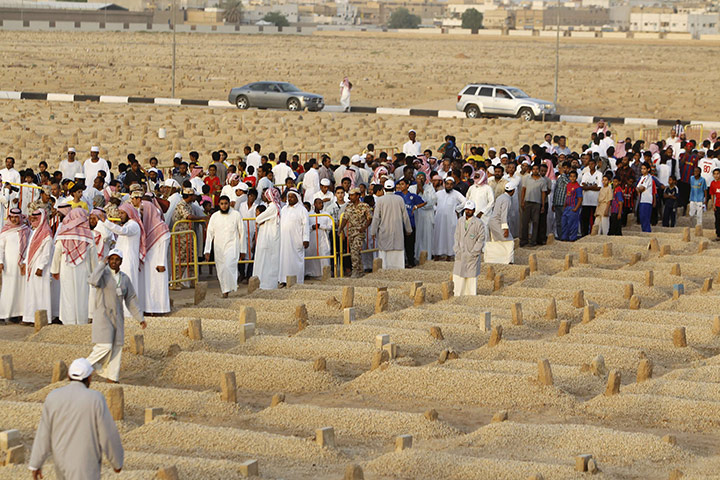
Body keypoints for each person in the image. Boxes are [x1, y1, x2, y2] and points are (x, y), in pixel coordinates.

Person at [29, 358, 124, 480]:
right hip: (85, 465)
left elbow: (44, 433)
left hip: (61, 463)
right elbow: (108, 434)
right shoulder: (95, 399)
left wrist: (35, 464)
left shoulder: (53, 396)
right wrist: (117, 462)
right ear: (89, 378)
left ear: (68, 376)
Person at [86, 249, 146, 383]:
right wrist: (102, 264)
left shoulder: (124, 279)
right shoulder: (103, 274)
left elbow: (131, 299)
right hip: (103, 315)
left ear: (121, 262)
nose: (114, 262)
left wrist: (140, 318)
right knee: (105, 346)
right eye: (111, 259)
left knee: (117, 347)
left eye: (117, 259)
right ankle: (83, 367)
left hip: (118, 317)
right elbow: (92, 280)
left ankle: (112, 378)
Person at [50, 208, 97, 325]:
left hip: (67, 268)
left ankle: (68, 321)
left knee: (68, 294)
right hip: (83, 269)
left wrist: (55, 270)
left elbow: (57, 253)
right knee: (82, 295)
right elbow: (93, 256)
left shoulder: (63, 233)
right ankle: (81, 321)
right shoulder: (88, 234)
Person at [103, 202, 145, 313]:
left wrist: (105, 222)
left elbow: (122, 232)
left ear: (129, 213)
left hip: (129, 261)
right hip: (123, 261)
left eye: (122, 213)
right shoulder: (127, 225)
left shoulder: (133, 225)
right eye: (119, 213)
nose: (120, 215)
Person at [204, 195, 247, 297]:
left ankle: (229, 287)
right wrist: (207, 250)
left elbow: (242, 231)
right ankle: (225, 290)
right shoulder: (215, 216)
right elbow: (210, 234)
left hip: (232, 245)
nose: (224, 206)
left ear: (229, 204)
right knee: (221, 269)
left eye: (226, 204)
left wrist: (243, 249)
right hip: (219, 247)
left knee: (229, 265)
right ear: (219, 204)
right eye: (222, 204)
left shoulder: (236, 215)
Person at [370, 180, 412, 270]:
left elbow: (376, 217)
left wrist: (373, 231)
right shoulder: (399, 199)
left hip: (384, 231)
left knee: (385, 251)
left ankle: (385, 270)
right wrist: (409, 229)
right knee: (398, 251)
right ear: (394, 189)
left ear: (384, 189)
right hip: (398, 231)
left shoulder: (380, 200)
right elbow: (405, 216)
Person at [22, 209, 53, 325]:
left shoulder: (46, 233)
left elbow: (47, 253)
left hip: (40, 268)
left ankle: (42, 319)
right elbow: (30, 250)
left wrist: (41, 267)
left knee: (40, 293)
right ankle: (30, 317)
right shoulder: (34, 232)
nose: (33, 220)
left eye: (36, 218)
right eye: (32, 218)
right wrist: (26, 263)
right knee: (31, 293)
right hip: (32, 266)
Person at [141, 198, 171, 314]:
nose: (141, 213)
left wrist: (161, 263)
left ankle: (159, 309)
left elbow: (164, 245)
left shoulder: (161, 227)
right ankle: (148, 309)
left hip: (158, 262)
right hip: (147, 261)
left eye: (143, 210)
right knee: (148, 286)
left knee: (157, 285)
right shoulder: (145, 226)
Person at [0, 208, 29, 324]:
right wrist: (0, 262)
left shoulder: (26, 230)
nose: (14, 219)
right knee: (8, 289)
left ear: (20, 217)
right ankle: (4, 314)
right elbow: (0, 248)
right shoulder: (5, 232)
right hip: (9, 266)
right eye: (12, 217)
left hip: (22, 266)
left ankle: (18, 314)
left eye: (16, 217)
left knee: (21, 290)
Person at [452, 200, 486, 296]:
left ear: (474, 210)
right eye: (466, 209)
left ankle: (471, 297)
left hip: (472, 255)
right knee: (459, 277)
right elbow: (456, 236)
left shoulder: (479, 223)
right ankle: (458, 295)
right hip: (460, 253)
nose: (468, 211)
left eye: (470, 210)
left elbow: (481, 239)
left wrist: (474, 252)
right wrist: (456, 249)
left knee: (471, 278)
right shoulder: (460, 221)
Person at [278, 189, 309, 284]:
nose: (290, 198)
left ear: (297, 197)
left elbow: (306, 225)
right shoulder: (284, 209)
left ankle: (297, 281)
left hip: (296, 239)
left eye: (292, 196)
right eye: (289, 197)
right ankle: (283, 280)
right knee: (284, 260)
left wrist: (306, 239)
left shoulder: (302, 210)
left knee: (296, 260)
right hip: (284, 240)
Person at [340, 187, 372, 277]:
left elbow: (369, 218)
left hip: (359, 232)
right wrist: (341, 228)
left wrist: (364, 227)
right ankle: (361, 270)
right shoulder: (349, 206)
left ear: (358, 196)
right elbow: (345, 218)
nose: (350, 197)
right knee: (355, 252)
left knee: (354, 251)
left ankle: (355, 270)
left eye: (352, 195)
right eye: (349, 195)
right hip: (351, 232)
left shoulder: (364, 206)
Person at [254, 188, 282, 289]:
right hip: (271, 236)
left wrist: (260, 219)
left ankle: (265, 284)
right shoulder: (275, 207)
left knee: (265, 261)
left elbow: (258, 219)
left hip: (268, 237)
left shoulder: (273, 207)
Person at [395, 178, 425, 268]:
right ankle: (401, 262)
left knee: (410, 244)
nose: (400, 186)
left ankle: (411, 262)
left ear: (407, 185)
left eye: (402, 184)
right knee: (400, 244)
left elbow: (423, 202)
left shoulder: (412, 196)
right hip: (399, 224)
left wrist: (415, 207)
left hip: (410, 223)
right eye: (399, 184)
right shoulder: (397, 195)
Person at [433, 177, 465, 261]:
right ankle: (437, 254)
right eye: (447, 183)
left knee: (450, 236)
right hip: (439, 218)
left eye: (451, 184)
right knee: (438, 235)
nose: (449, 186)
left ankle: (449, 254)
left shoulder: (456, 194)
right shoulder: (439, 193)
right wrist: (436, 209)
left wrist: (457, 209)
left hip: (451, 219)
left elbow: (465, 201)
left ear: (453, 185)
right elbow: (431, 201)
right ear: (444, 184)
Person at [485, 181, 516, 264]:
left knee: (497, 241)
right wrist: (505, 228)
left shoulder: (501, 197)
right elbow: (503, 215)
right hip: (497, 222)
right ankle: (508, 261)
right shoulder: (507, 199)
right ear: (513, 191)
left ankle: (496, 259)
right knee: (509, 241)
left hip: (493, 221)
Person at [409, 172, 436, 263]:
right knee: (417, 236)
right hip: (416, 214)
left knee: (426, 236)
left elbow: (431, 202)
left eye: (422, 177)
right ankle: (416, 256)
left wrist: (423, 191)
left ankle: (427, 257)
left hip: (426, 215)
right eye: (418, 177)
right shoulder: (411, 188)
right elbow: (411, 201)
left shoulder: (430, 188)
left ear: (425, 179)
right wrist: (418, 190)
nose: (420, 179)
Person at [519, 163, 548, 247]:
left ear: (539, 170)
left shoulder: (542, 180)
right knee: (525, 222)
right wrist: (522, 201)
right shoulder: (527, 179)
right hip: (527, 202)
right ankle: (524, 240)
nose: (535, 170)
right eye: (534, 169)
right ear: (531, 170)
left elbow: (543, 193)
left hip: (537, 203)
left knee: (535, 222)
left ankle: (533, 241)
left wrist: (543, 205)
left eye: (537, 169)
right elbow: (523, 190)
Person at [305, 198, 332, 277]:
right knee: (311, 255)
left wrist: (321, 226)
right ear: (315, 205)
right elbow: (306, 227)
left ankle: (325, 273)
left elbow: (330, 226)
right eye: (319, 203)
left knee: (324, 254)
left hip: (322, 238)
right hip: (312, 238)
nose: (321, 205)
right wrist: (312, 227)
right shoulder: (309, 215)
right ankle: (311, 273)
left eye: (322, 203)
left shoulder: (326, 214)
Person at [580, 158, 602, 236]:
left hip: (595, 201)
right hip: (586, 201)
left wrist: (588, 186)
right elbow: (582, 186)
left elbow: (599, 187)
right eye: (589, 164)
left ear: (595, 164)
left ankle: (593, 233)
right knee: (585, 218)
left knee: (593, 219)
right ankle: (584, 234)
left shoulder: (599, 174)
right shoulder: (586, 174)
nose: (591, 166)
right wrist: (592, 186)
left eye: (592, 164)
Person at [561, 170, 583, 241]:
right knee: (564, 223)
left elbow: (580, 199)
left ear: (576, 177)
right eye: (571, 176)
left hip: (573, 206)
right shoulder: (568, 185)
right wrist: (564, 205)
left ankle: (572, 238)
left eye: (574, 177)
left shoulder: (578, 187)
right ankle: (565, 237)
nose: (572, 178)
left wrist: (576, 208)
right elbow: (567, 196)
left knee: (572, 224)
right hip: (567, 206)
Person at [710, 169, 720, 240]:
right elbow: (712, 194)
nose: (716, 175)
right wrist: (713, 204)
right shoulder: (713, 183)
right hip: (717, 205)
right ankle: (718, 235)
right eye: (715, 174)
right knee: (717, 220)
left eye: (718, 174)